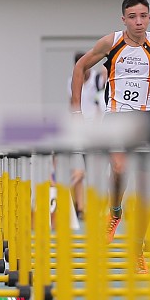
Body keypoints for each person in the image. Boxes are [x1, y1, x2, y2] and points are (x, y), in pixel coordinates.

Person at [71, 0, 150, 273]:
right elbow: (80, 67)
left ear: (149, 17)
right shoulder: (111, 42)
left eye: (143, 16)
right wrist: (76, 109)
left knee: (145, 188)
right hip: (116, 117)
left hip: (147, 118)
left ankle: (137, 249)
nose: (138, 22)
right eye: (133, 17)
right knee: (119, 168)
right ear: (124, 19)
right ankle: (115, 212)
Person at [66, 52, 106, 217]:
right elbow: (71, 103)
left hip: (96, 130)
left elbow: (101, 103)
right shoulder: (71, 81)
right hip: (80, 130)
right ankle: (80, 207)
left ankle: (97, 206)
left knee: (96, 170)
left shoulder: (98, 79)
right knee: (79, 169)